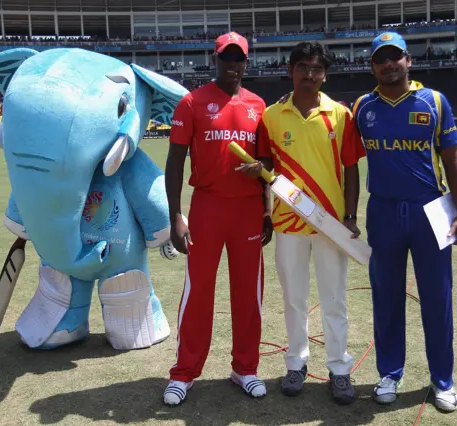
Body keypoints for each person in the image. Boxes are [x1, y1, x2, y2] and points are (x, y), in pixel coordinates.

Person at [241, 41, 365, 405]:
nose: (309, 75)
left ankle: (339, 369)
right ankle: (296, 363)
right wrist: (266, 210)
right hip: (288, 222)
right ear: (290, 70)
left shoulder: (340, 115)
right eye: (302, 68)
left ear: (324, 74)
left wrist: (351, 216)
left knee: (334, 300)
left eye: (316, 69)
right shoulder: (271, 116)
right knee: (294, 299)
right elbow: (265, 168)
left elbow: (351, 168)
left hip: (329, 225)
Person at [352, 32, 457, 412]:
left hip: (429, 211)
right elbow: (344, 160)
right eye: (380, 59)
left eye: (395, 57)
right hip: (383, 211)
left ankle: (443, 380)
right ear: (372, 66)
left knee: (437, 299)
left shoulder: (434, 101)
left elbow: (452, 160)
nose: (388, 65)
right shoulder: (362, 107)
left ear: (408, 61)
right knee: (386, 297)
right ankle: (389, 373)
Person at [162, 31, 273, 406]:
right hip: (207, 207)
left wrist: (267, 208)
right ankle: (184, 372)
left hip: (247, 210)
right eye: (226, 58)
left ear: (246, 62)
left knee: (248, 294)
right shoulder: (192, 102)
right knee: (198, 293)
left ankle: (245, 368)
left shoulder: (259, 105)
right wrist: (176, 214)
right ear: (216, 60)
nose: (233, 64)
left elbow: (268, 164)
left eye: (239, 58)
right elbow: (175, 161)